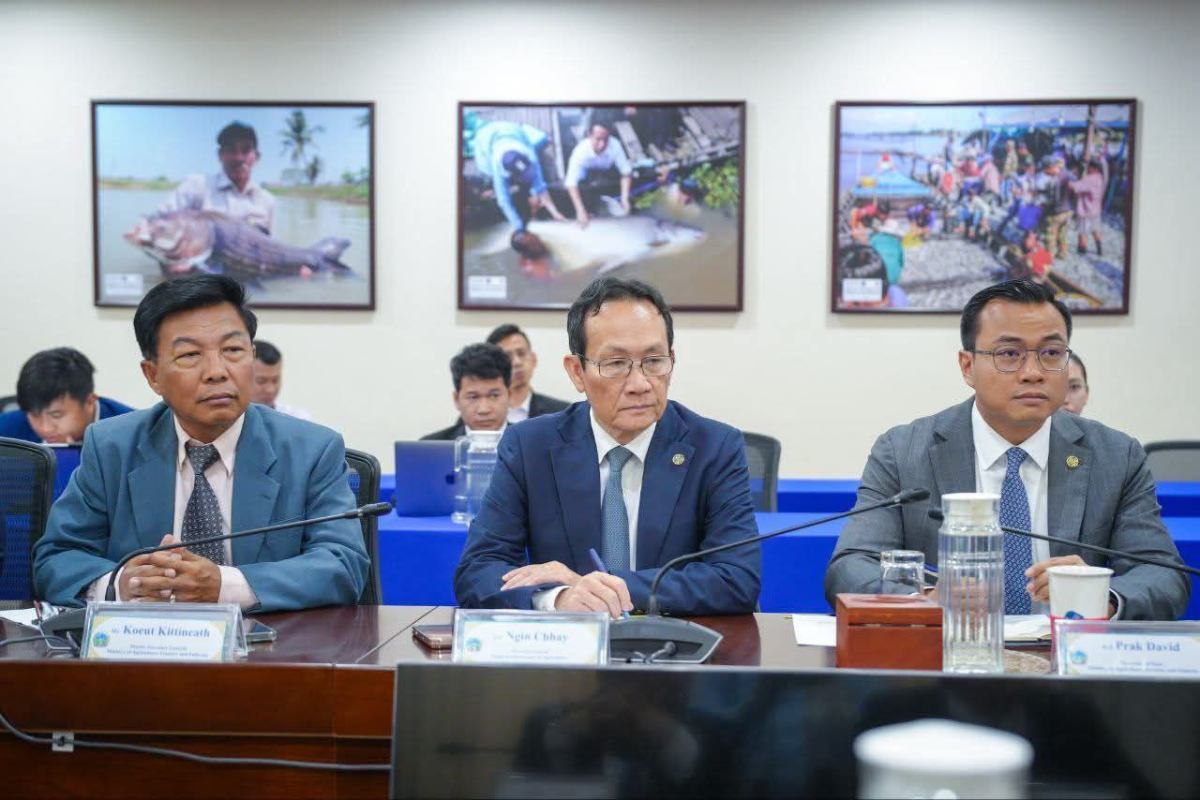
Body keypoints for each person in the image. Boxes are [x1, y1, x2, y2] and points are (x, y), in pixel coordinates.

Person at [824, 279, 1189, 620]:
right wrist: (922, 600)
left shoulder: (1116, 456)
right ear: (968, 366)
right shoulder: (903, 452)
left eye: (1051, 353)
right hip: (948, 654)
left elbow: (1163, 574)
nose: (1033, 372)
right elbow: (851, 567)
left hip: (1069, 658)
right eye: (1009, 354)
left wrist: (1100, 595)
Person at [33, 275, 369, 611]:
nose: (217, 371)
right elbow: (56, 558)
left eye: (233, 350)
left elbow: (343, 564)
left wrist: (224, 586)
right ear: (153, 375)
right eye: (190, 354)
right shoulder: (112, 448)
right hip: (144, 640)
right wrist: (120, 584)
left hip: (272, 641)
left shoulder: (311, 449)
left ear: (251, 357)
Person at [454, 277, 761, 618]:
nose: (640, 384)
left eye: (654, 361)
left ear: (671, 360)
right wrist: (557, 598)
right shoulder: (530, 447)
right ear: (577, 372)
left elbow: (737, 579)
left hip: (677, 642)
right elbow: (478, 571)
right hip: (569, 646)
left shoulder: (715, 448)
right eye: (615, 364)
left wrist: (600, 588)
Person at [0, 348, 134, 444]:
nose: (46, 428)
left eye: (56, 415)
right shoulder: (7, 429)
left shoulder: (131, 433)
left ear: (89, 401)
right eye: (35, 415)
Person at [166, 121, 276, 235]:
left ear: (257, 157)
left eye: (245, 150)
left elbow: (269, 242)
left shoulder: (267, 201)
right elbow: (162, 219)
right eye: (232, 150)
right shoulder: (197, 186)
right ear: (220, 155)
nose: (239, 158)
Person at [472, 120, 567, 235]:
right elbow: (503, 201)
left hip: (511, 129)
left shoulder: (530, 156)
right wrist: (519, 227)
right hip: (485, 137)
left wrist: (555, 212)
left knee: (534, 179)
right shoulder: (497, 168)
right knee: (488, 174)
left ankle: (530, 198)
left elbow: (540, 186)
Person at [421, 343, 512, 441]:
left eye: (494, 395)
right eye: (473, 397)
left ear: (509, 395)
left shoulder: (525, 442)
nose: (484, 409)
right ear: (456, 400)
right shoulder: (431, 446)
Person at [485, 324, 570, 424]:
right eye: (507, 356)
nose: (517, 362)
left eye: (521, 353)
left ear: (533, 359)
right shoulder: (481, 415)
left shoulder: (562, 413)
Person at [564, 123, 633, 228]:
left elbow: (626, 173)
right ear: (589, 135)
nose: (602, 144)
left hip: (607, 179)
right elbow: (571, 183)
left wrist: (625, 198)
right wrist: (580, 210)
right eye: (598, 139)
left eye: (606, 139)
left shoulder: (615, 145)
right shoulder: (580, 151)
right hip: (586, 184)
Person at [251, 339, 313, 421]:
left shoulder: (297, 419)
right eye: (261, 381)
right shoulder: (234, 420)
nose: (270, 390)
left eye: (275, 380)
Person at [1069, 160, 1106, 256]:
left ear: (1094, 168)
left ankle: (1082, 249)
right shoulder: (1100, 178)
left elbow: (1077, 187)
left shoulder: (1090, 179)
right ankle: (1099, 248)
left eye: (1089, 167)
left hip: (1085, 209)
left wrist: (1068, 182)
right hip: (1096, 208)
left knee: (1082, 231)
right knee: (1095, 229)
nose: (1087, 169)